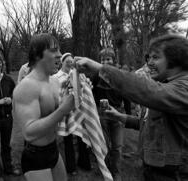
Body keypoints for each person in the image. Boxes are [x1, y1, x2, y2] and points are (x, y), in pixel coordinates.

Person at [76, 34, 188, 181]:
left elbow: (146, 90)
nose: (149, 63)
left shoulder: (184, 88)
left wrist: (101, 68)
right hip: (157, 171)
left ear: (175, 59)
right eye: (149, 58)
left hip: (174, 174)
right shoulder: (169, 85)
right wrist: (120, 117)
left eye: (156, 57)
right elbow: (153, 124)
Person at [13, 33, 75, 181]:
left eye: (59, 50)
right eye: (53, 50)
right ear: (36, 54)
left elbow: (60, 113)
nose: (60, 55)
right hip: (36, 156)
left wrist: (78, 92)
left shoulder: (54, 82)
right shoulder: (27, 86)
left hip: (53, 149)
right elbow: (29, 132)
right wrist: (63, 110)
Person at [53, 53, 91, 175]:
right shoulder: (56, 77)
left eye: (71, 61)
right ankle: (71, 167)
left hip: (78, 110)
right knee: (68, 139)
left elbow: (86, 88)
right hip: (66, 111)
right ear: (62, 62)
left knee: (81, 136)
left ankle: (84, 162)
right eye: (67, 61)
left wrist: (86, 85)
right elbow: (56, 94)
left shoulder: (78, 74)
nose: (70, 63)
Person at [92, 48, 125, 181]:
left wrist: (127, 115)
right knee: (103, 144)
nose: (105, 62)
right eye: (102, 59)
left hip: (118, 112)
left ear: (113, 60)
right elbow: (91, 92)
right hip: (102, 113)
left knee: (117, 146)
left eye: (108, 59)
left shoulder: (120, 75)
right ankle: (105, 170)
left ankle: (116, 172)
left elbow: (126, 95)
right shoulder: (96, 75)